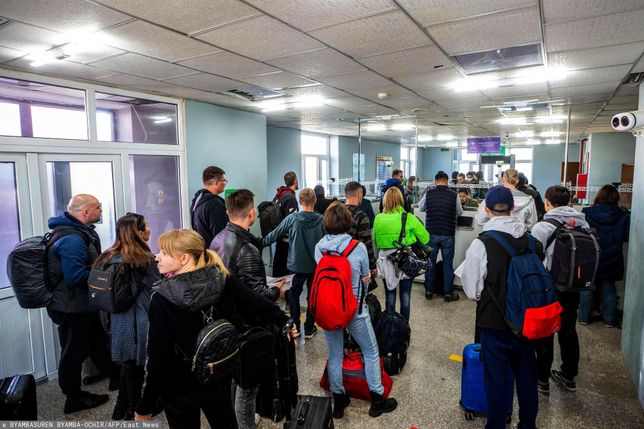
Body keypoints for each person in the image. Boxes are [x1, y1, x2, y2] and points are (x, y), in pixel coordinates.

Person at [134, 229, 293, 428]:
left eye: (164, 252)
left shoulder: (162, 298)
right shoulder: (222, 278)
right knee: (224, 421)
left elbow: (158, 358)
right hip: (218, 371)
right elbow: (257, 304)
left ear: (184, 258)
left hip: (179, 386)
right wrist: (285, 322)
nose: (157, 257)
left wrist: (145, 405)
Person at [461, 186, 542, 429]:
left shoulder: (482, 243)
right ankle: (528, 424)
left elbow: (472, 289)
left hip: (495, 321)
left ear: (486, 209)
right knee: (527, 377)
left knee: (495, 379)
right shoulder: (532, 241)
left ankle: (495, 425)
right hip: (528, 320)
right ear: (514, 208)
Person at [315, 203, 398, 419]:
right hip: (354, 309)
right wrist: (367, 278)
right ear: (347, 222)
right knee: (370, 351)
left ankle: (339, 401)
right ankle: (377, 400)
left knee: (334, 354)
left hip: (330, 308)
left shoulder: (320, 247)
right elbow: (364, 276)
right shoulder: (357, 247)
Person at [46, 194, 116, 413]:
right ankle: (73, 399)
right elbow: (75, 276)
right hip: (71, 308)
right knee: (73, 353)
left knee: (97, 342)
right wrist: (107, 275)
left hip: (82, 306)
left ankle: (118, 377)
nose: (101, 211)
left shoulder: (82, 232)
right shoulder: (72, 239)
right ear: (85, 212)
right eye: (98, 207)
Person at [93, 213, 161, 420]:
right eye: (146, 226)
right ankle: (134, 410)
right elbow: (155, 288)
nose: (149, 228)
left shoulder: (107, 256)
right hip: (139, 317)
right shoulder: (144, 258)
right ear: (140, 232)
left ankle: (121, 408)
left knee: (129, 364)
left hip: (117, 317)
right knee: (139, 365)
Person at [531, 186, 588, 395]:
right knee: (568, 330)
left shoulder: (542, 227)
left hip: (549, 286)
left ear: (547, 202)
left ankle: (542, 379)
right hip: (574, 285)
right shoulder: (583, 222)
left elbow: (533, 259)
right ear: (570, 201)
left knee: (545, 332)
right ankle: (569, 375)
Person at [263, 188, 325, 338]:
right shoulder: (322, 220)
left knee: (294, 295)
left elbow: (275, 234)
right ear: (315, 201)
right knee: (313, 296)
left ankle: (295, 327)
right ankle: (309, 328)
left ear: (300, 202)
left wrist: (258, 243)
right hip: (316, 265)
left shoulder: (293, 218)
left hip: (296, 265)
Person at [211, 189, 284, 302]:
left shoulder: (218, 238)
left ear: (227, 212)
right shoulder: (247, 250)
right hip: (242, 314)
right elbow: (259, 296)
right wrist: (277, 290)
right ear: (251, 213)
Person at [374, 187, 429, 321]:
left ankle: (390, 328)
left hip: (385, 260)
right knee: (405, 297)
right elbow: (426, 238)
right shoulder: (408, 218)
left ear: (385, 201)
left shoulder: (378, 218)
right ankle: (404, 329)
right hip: (405, 261)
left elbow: (376, 241)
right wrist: (410, 239)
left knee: (389, 296)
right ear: (401, 201)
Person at [580, 184, 630, 327]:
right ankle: (610, 320)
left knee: (587, 287)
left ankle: (583, 317)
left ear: (599, 196)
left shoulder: (587, 212)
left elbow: (583, 234)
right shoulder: (623, 215)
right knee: (609, 288)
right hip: (613, 257)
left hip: (592, 255)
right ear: (616, 198)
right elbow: (626, 236)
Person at [422, 171, 462, 302]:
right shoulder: (454, 195)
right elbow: (459, 212)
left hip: (431, 233)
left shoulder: (428, 193)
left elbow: (421, 208)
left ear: (435, 181)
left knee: (430, 263)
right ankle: (448, 293)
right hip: (448, 234)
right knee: (447, 264)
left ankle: (429, 291)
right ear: (447, 181)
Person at [344, 181, 377, 278]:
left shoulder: (336, 212)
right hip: (355, 261)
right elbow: (366, 242)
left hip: (337, 261)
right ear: (359, 194)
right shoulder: (361, 215)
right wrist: (372, 265)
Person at [190, 166, 229, 247]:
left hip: (204, 252)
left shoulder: (197, 200)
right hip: (216, 255)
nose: (225, 183)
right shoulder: (215, 203)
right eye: (224, 180)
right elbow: (221, 236)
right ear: (217, 182)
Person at [271, 171, 299, 277]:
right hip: (287, 241)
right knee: (287, 273)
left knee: (279, 268)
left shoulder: (279, 194)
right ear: (295, 181)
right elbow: (292, 221)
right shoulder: (291, 198)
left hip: (279, 237)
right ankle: (286, 293)